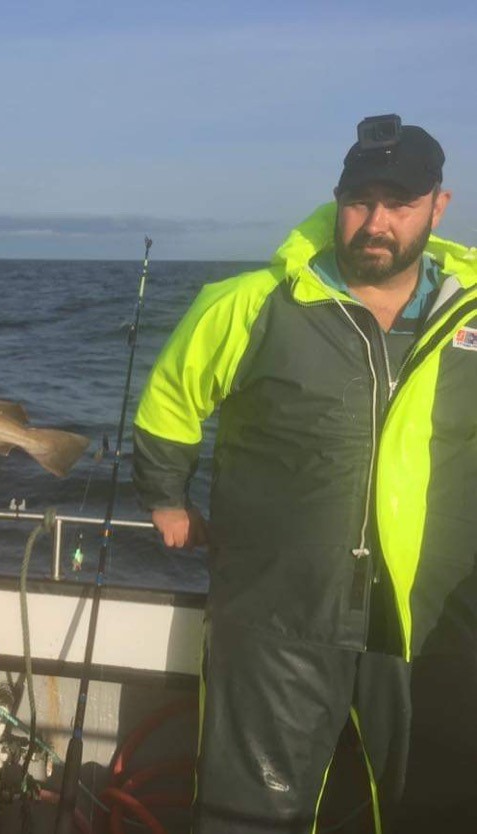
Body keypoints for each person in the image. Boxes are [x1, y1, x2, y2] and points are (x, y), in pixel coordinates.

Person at [132, 116, 476, 833]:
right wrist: (165, 496)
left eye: (400, 204)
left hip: (430, 616)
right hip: (274, 614)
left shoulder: (468, 315)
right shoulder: (250, 302)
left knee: (432, 805)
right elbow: (171, 401)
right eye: (360, 201)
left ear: (438, 206)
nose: (376, 223)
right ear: (336, 200)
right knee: (249, 816)